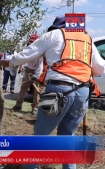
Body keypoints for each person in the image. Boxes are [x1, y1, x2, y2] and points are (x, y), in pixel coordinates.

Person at [9, 16, 104, 169]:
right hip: (82, 92)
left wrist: (11, 63)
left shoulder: (53, 35)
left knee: (40, 135)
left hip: (58, 91)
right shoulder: (87, 39)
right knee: (68, 135)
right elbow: (100, 68)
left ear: (58, 27)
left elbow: (26, 55)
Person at [12, 34, 44, 115]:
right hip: (28, 70)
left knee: (37, 91)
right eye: (30, 42)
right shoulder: (27, 50)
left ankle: (35, 108)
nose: (31, 44)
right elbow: (22, 59)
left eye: (33, 42)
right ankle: (18, 105)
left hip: (38, 72)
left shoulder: (40, 52)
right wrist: (21, 66)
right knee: (23, 87)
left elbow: (40, 67)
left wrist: (35, 77)